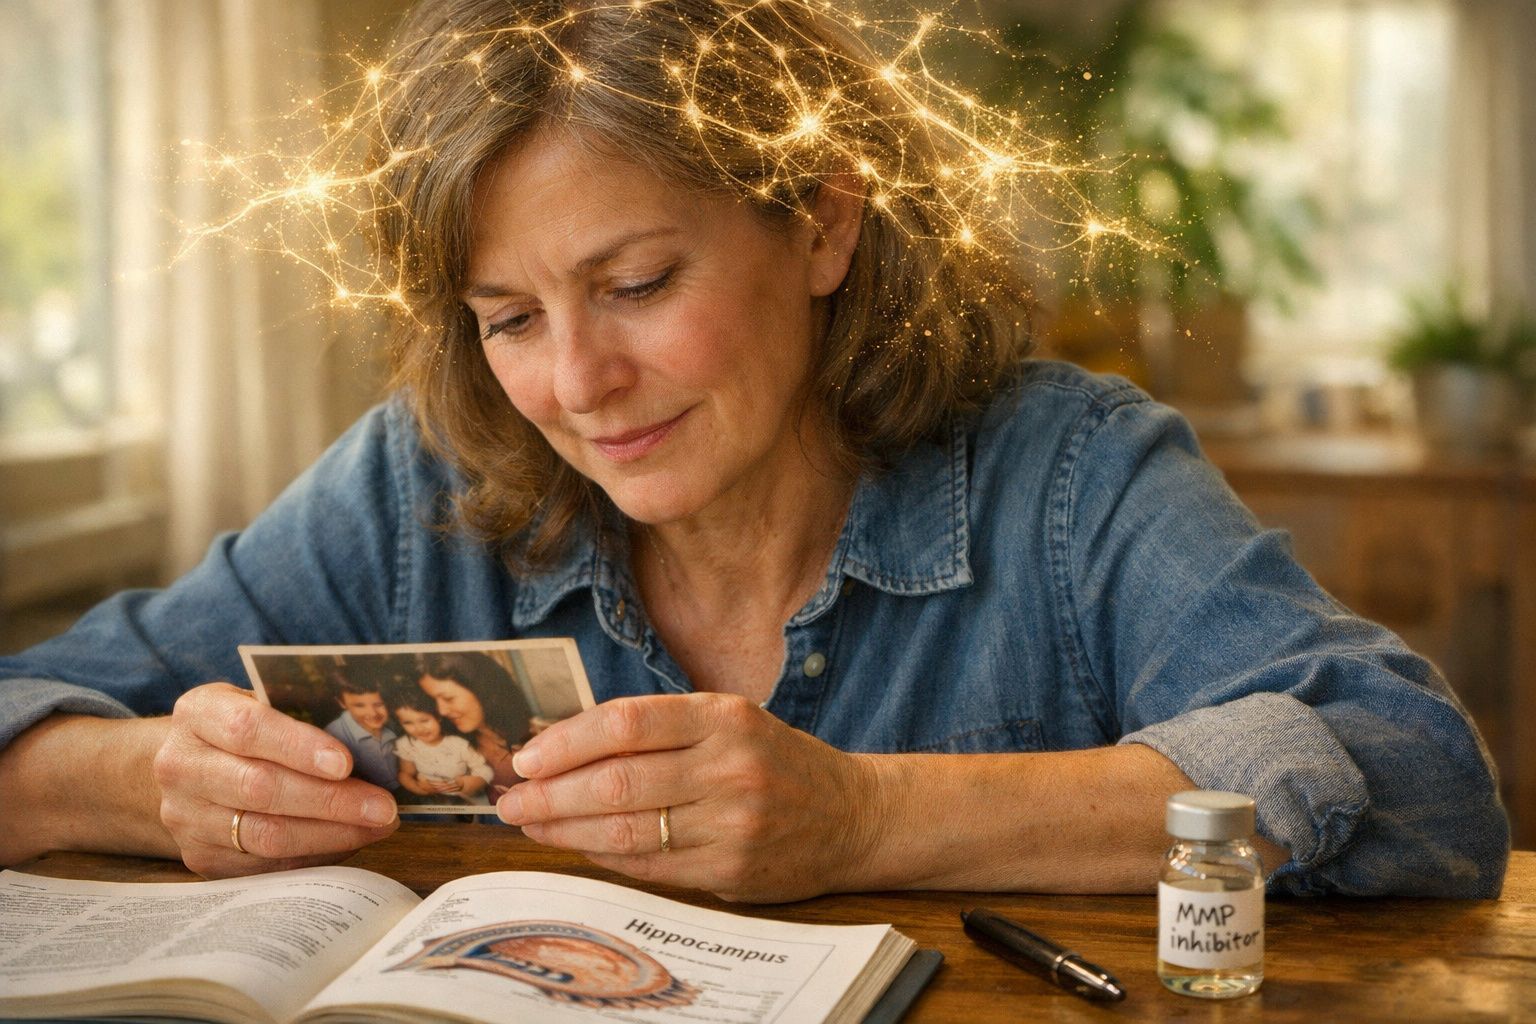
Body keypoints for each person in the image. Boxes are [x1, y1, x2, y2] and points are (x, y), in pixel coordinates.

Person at [0, 0, 1509, 898]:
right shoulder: (421, 481)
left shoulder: (1066, 470)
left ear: (821, 222)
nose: (579, 384)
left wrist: (868, 818)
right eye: (509, 317)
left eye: (638, 285)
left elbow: (1416, 777)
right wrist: (143, 782)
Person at [415, 653, 534, 802]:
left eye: (448, 698)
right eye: (434, 701)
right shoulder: (453, 748)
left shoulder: (536, 738)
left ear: (482, 690)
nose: (441, 711)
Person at [389, 686, 494, 806]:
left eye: (424, 720)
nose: (419, 729)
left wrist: (465, 783)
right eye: (408, 723)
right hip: (433, 800)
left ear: (438, 717)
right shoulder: (407, 744)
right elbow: (405, 774)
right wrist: (420, 789)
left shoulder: (458, 744)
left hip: (465, 797)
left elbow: (484, 770)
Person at [322, 676, 401, 792]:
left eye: (379, 704)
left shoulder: (393, 724)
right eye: (360, 705)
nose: (373, 713)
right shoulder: (333, 734)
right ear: (342, 703)